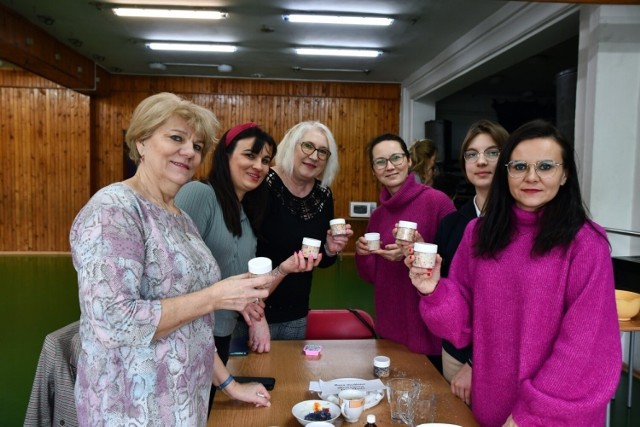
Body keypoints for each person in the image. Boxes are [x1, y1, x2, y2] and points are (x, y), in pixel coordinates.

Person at [70, 93, 272, 425]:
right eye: (176, 138)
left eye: (197, 146)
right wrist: (215, 297)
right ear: (141, 141)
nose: (189, 152)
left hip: (183, 402)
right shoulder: (114, 209)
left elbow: (193, 323)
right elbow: (114, 321)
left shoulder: (180, 218)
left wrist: (230, 385)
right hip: (131, 407)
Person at [406, 120, 621, 426]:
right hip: (493, 408)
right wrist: (434, 290)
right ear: (506, 172)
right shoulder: (479, 233)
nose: (531, 177)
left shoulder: (585, 243)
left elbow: (582, 348)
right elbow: (462, 326)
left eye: (546, 166)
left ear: (565, 175)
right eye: (519, 166)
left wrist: (528, 415)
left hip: (555, 415)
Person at [175, 122, 319, 410]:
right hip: (188, 340)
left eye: (265, 160)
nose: (259, 166)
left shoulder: (245, 212)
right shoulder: (199, 194)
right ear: (225, 155)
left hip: (220, 336)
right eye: (250, 155)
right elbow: (176, 281)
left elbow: (239, 283)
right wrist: (231, 385)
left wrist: (261, 304)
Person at [236, 121, 352, 340]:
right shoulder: (261, 183)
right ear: (291, 146)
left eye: (322, 151)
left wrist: (329, 248)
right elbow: (238, 252)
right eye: (307, 146)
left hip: (295, 313)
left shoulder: (323, 196)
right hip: (249, 312)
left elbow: (321, 261)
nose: (314, 155)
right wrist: (254, 312)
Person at [354, 133, 455, 369]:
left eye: (396, 158)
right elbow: (370, 276)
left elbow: (456, 265)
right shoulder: (379, 215)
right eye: (381, 162)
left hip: (428, 328)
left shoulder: (437, 202)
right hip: (389, 327)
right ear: (373, 170)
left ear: (408, 161)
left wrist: (414, 251)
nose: (389, 167)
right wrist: (363, 254)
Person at [435, 120, 508, 405]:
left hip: (502, 355)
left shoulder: (523, 224)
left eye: (492, 152)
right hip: (455, 349)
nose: (481, 161)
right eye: (471, 154)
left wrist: (476, 363)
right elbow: (443, 291)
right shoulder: (451, 224)